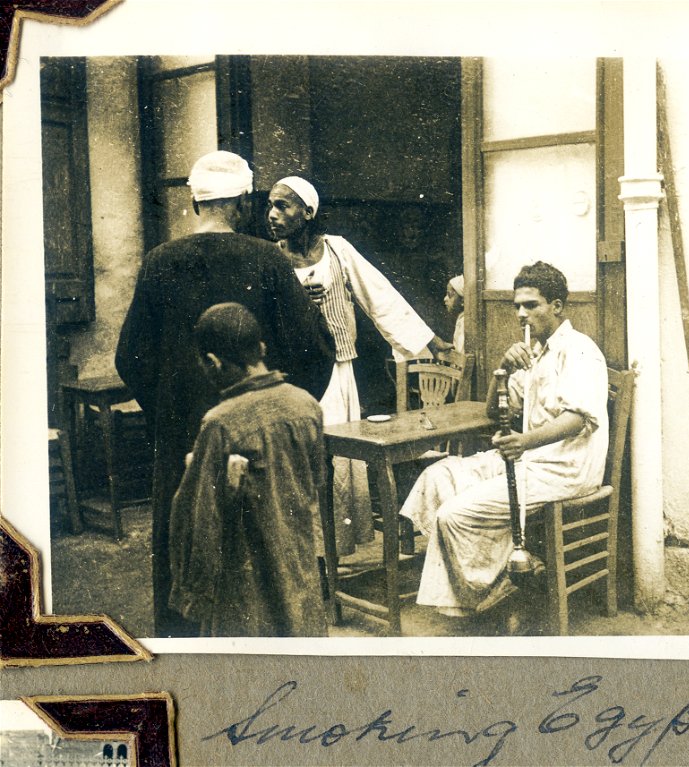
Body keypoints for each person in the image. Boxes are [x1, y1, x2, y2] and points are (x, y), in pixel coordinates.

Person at [115, 151, 335, 637]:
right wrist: (280, 407)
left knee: (187, 541)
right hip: (261, 440)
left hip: (182, 441)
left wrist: (170, 414)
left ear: (195, 202)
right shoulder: (268, 259)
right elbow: (317, 350)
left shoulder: (159, 262)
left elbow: (130, 357)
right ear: (241, 203)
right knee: (269, 555)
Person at [399, 262, 609, 617]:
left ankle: (488, 591)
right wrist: (502, 368)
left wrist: (524, 442)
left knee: (454, 514)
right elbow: (495, 414)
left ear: (556, 306)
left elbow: (576, 420)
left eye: (531, 305)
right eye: (517, 306)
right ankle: (506, 567)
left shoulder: (580, 350)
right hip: (527, 460)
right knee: (438, 478)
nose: (521, 314)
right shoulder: (533, 353)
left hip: (565, 468)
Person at [266, 175, 452, 556]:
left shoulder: (337, 251)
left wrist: (431, 342)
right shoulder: (271, 259)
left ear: (308, 211)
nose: (273, 214)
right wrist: (297, 299)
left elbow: (379, 295)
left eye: (282, 206)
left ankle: (332, 550)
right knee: (300, 458)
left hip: (336, 371)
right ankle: (303, 552)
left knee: (337, 455)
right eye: (270, 205)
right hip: (292, 377)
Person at [168, 303, 329, 637]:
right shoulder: (306, 404)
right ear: (261, 348)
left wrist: (193, 594)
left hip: (245, 575)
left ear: (213, 363)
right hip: (298, 563)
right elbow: (316, 482)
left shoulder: (220, 423)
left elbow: (201, 518)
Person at [445, 274, 465, 354]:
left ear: (463, 301)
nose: (445, 299)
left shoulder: (464, 322)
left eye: (450, 295)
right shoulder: (461, 319)